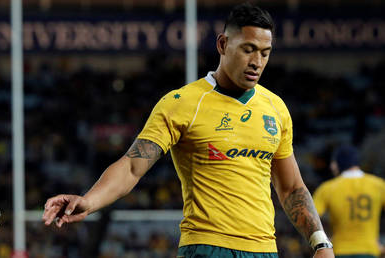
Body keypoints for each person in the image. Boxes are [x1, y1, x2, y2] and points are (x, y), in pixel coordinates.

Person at [43, 3, 334, 257]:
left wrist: (320, 241)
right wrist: (89, 201)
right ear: (222, 45)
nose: (257, 62)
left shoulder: (276, 108)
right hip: (206, 248)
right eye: (248, 49)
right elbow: (132, 166)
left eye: (265, 53)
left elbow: (292, 187)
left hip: (264, 250)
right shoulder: (182, 103)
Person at [313, 145, 385, 258]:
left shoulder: (327, 188)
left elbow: (310, 217)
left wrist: (322, 244)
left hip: (340, 251)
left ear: (336, 164)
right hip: (370, 250)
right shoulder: (378, 185)